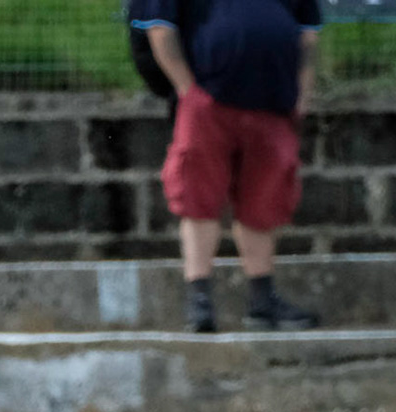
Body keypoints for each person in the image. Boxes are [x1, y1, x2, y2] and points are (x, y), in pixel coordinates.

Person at [129, 0, 321, 333]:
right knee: (198, 197)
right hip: (208, 102)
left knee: (265, 200)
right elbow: (159, 28)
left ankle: (263, 301)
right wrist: (188, 90)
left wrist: (301, 94)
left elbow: (307, 36)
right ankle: (199, 298)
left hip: (274, 103)